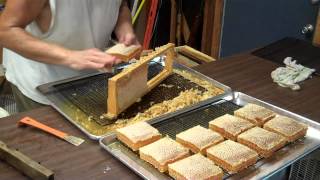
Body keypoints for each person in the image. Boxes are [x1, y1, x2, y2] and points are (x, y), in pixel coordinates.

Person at [0, 0, 140, 112]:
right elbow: (5, 30)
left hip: (90, 76)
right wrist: (69, 57)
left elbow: (121, 6)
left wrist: (125, 28)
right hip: (42, 83)